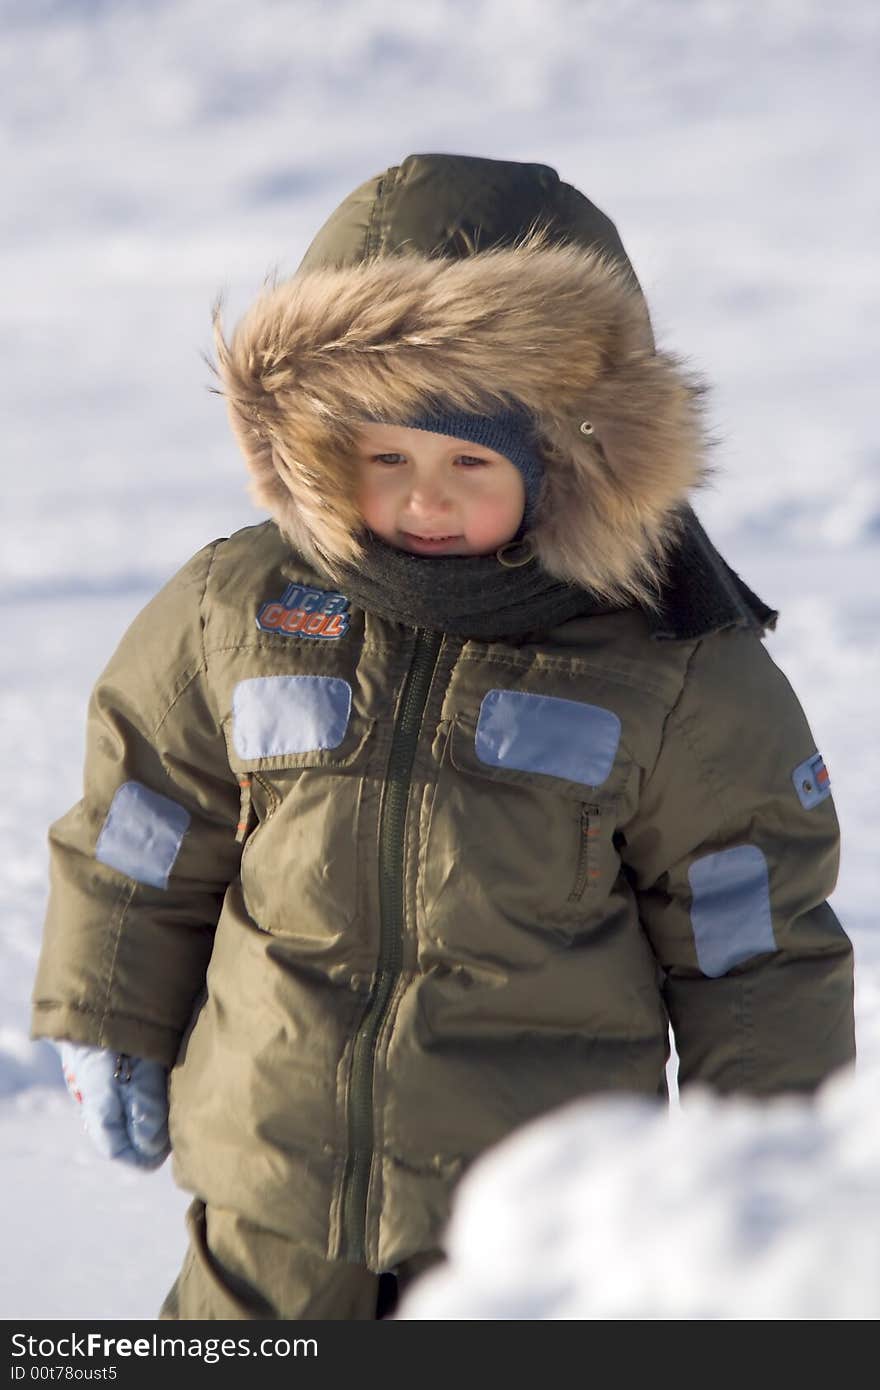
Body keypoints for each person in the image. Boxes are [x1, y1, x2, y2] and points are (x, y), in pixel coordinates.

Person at [31, 153, 855, 1320]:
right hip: (264, 1189)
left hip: (527, 1222)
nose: (425, 499)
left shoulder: (668, 664)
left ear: (569, 457)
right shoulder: (241, 607)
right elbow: (144, 823)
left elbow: (751, 939)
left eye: (471, 461)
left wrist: (765, 1174)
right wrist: (106, 1008)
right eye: (386, 458)